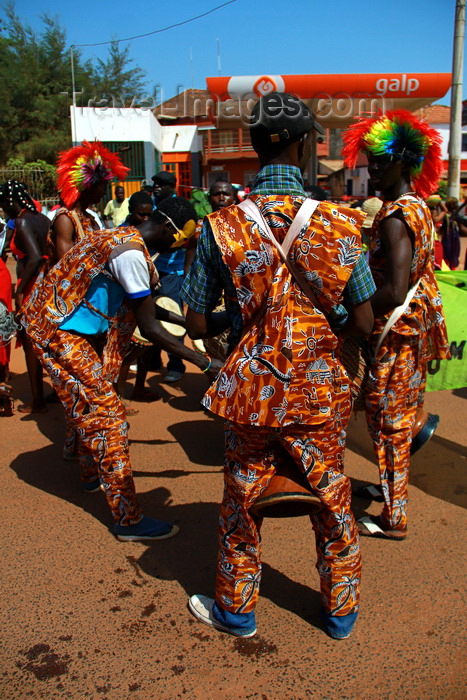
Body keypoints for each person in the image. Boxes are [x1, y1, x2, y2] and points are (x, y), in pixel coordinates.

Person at [181, 91, 375, 640]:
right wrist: (324, 311)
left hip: (251, 393)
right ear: (304, 145)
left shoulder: (219, 227)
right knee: (333, 497)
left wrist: (249, 313)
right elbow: (362, 323)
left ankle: (237, 613)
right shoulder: (340, 224)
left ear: (256, 145)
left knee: (242, 501)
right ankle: (339, 613)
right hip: (319, 393)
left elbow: (195, 324)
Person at [21, 195, 221, 542]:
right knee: (110, 417)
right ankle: (127, 519)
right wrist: (204, 362)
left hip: (61, 327)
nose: (185, 243)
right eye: (186, 236)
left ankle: (88, 473)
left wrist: (189, 324)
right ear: (172, 229)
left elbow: (151, 309)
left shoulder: (123, 237)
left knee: (87, 402)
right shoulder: (129, 254)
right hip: (57, 331)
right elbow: (153, 329)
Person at [342, 109, 450, 540]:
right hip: (412, 328)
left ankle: (394, 517)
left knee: (389, 420)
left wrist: (349, 320)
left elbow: (395, 288)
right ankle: (390, 491)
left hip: (395, 330)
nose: (373, 171)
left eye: (381, 163)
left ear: (405, 163)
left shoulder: (393, 216)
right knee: (398, 414)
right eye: (371, 163)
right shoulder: (418, 208)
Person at [0, 180, 50, 413]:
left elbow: (35, 256)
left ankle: (38, 399)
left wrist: (20, 290)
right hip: (49, 282)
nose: (3, 210)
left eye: (3, 204)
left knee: (31, 342)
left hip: (32, 284)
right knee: (50, 340)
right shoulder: (42, 218)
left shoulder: (21, 221)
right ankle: (58, 392)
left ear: (11, 201)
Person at [151, 170, 187, 382]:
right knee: (151, 314)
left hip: (172, 273)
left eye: (161, 184)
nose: (157, 187)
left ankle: (176, 364)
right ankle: (154, 360)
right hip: (153, 270)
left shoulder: (179, 207)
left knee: (172, 317)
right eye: (155, 184)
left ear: (172, 186)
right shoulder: (153, 206)